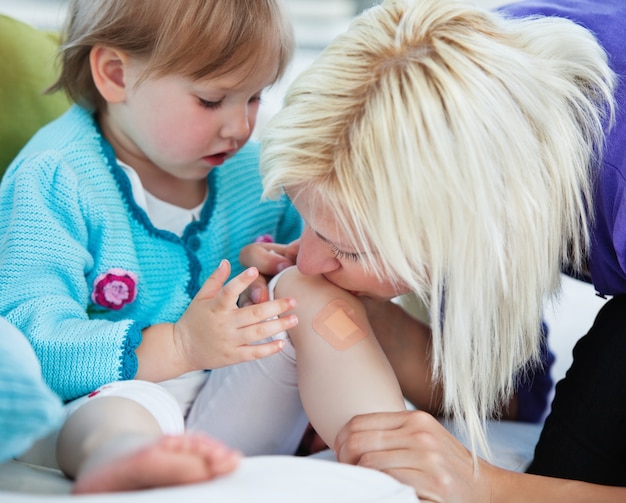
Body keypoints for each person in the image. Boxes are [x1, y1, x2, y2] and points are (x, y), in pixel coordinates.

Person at [0, 0, 407, 494]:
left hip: (231, 407)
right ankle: (123, 462)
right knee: (122, 411)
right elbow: (29, 345)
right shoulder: (55, 177)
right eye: (212, 100)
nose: (239, 127)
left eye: (255, 98)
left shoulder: (255, 173)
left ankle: (394, 458)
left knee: (310, 296)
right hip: (106, 405)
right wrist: (179, 346)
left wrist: (275, 271)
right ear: (115, 76)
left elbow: (322, 275)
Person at [240, 0, 626, 500]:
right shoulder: (457, 90)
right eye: (310, 226)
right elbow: (509, 393)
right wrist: (365, 316)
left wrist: (491, 488)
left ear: (470, 224)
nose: (308, 262)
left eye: (350, 250)